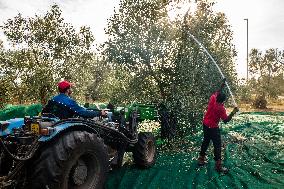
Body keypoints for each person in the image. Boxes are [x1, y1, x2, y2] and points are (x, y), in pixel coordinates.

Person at [197, 78, 239, 173]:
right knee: (217, 146)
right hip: (213, 128)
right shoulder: (221, 108)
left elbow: (217, 92)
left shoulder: (212, 99)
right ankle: (218, 166)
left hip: (205, 124)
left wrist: (222, 85)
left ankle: (201, 159)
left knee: (206, 141)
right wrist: (233, 111)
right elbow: (226, 120)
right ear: (223, 101)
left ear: (217, 97)